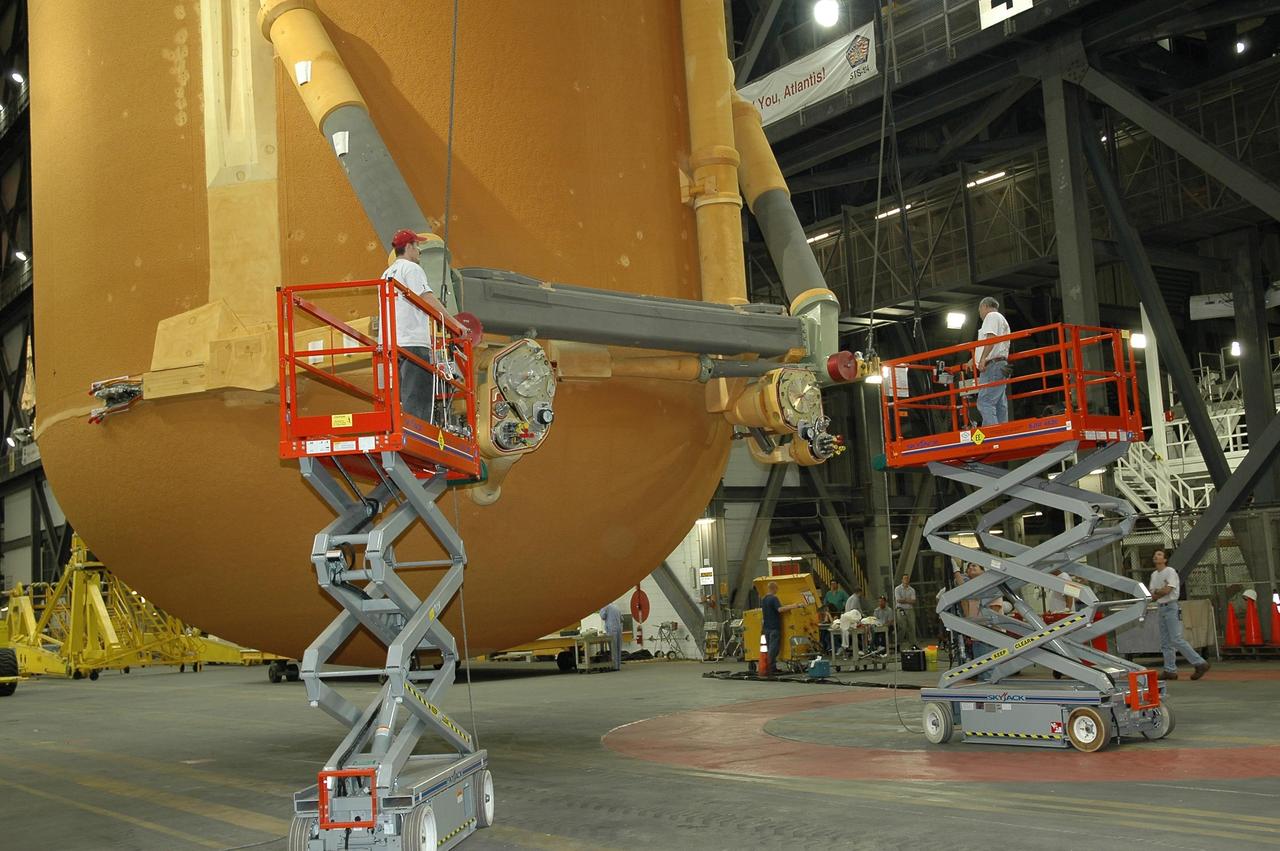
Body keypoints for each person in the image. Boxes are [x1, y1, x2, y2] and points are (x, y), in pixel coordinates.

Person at [382, 229, 451, 422]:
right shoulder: (412, 269)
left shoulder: (386, 273)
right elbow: (426, 297)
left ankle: (400, 429)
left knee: (400, 396)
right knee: (417, 398)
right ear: (410, 247)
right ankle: (418, 433)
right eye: (418, 246)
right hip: (413, 342)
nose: (419, 251)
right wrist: (453, 323)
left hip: (392, 344)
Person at [1148, 548, 1210, 681]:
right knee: (1165, 642)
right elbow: (1153, 593)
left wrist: (1159, 591)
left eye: (1159, 554)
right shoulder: (1154, 575)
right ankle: (1170, 670)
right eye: (1155, 554)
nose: (1156, 556)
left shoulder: (1170, 571)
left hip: (1171, 607)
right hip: (1161, 607)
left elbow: (1167, 590)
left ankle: (1199, 663)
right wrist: (1160, 591)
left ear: (1165, 559)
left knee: (1176, 639)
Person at [973, 296, 1012, 427]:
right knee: (1000, 402)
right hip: (998, 364)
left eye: (980, 310)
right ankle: (1003, 431)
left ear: (984, 307)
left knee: (985, 401)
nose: (980, 314)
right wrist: (973, 359)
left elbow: (991, 339)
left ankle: (993, 435)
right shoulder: (999, 318)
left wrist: (983, 358)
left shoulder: (992, 316)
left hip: (992, 365)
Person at [760, 581, 802, 675]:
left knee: (769, 647)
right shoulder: (774, 598)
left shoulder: (764, 599)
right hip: (774, 627)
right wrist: (794, 606)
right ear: (774, 588)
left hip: (766, 627)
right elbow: (780, 609)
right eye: (777, 588)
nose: (777, 590)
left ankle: (772, 667)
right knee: (773, 649)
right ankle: (768, 667)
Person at [893, 575, 919, 649]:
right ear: (902, 580)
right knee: (902, 627)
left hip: (910, 610)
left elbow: (913, 601)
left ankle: (913, 644)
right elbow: (898, 600)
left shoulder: (912, 590)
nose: (906, 580)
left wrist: (904, 600)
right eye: (905, 579)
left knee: (912, 627)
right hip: (900, 609)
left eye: (907, 579)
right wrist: (908, 600)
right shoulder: (897, 589)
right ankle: (898, 643)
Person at [599, 603, 624, 671]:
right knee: (618, 648)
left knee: (613, 648)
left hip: (612, 629)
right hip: (619, 629)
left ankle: (614, 666)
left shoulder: (605, 606)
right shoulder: (616, 606)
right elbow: (622, 619)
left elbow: (603, 616)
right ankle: (618, 666)